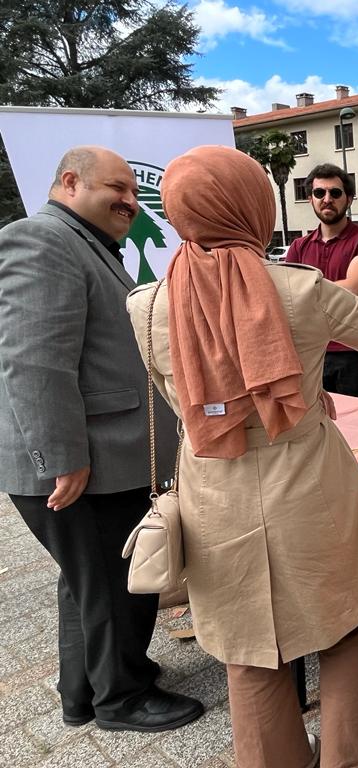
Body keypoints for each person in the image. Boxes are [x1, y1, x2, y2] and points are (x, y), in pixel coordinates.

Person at [126, 146, 358, 767]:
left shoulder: (145, 304)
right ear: (253, 206)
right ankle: (349, 758)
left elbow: (173, 391)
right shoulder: (303, 289)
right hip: (309, 481)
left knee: (247, 643)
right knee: (337, 625)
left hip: (214, 489)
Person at [0, 146, 203, 731]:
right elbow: (35, 363)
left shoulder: (83, 243)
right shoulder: (41, 240)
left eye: (134, 194)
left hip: (97, 460)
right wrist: (61, 459)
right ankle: (123, 700)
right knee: (115, 582)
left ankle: (83, 693)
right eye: (118, 188)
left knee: (88, 580)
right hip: (85, 466)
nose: (130, 203)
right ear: (70, 181)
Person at [286, 162, 358, 399]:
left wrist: (304, 289)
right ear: (310, 198)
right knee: (312, 427)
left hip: (353, 352)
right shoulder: (299, 247)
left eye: (336, 192)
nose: (327, 198)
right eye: (319, 193)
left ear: (349, 199)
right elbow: (286, 297)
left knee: (356, 429)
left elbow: (353, 290)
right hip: (310, 353)